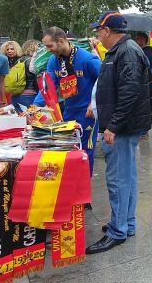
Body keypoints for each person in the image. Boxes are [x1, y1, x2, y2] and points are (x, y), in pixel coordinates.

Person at [86, 12, 152, 254]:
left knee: (118, 180)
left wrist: (112, 126)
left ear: (107, 30)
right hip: (124, 126)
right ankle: (126, 224)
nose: (97, 35)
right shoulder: (123, 50)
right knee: (127, 178)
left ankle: (118, 230)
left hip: (122, 129)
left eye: (98, 30)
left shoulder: (126, 51)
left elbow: (130, 93)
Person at [33, 26, 101, 173]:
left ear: (61, 41)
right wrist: (34, 107)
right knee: (69, 148)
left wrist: (94, 102)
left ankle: (84, 188)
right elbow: (48, 86)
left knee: (85, 150)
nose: (47, 50)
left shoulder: (87, 58)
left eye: (49, 46)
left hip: (87, 113)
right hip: (69, 111)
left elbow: (104, 79)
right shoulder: (53, 61)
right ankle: (71, 184)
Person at [11, 40, 40, 109]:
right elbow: (35, 79)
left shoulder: (18, 60)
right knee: (31, 117)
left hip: (16, 94)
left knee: (19, 118)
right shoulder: (32, 62)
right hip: (29, 94)